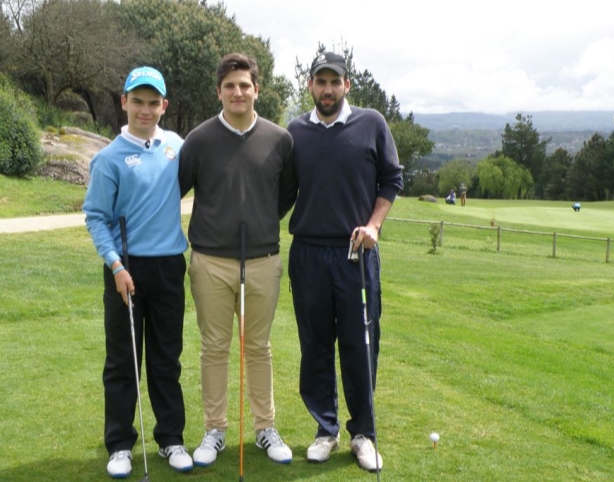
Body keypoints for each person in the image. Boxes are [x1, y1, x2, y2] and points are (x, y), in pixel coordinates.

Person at [287, 52, 404, 473]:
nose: (327, 89)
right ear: (311, 86)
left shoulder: (371, 123)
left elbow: (392, 178)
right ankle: (325, 429)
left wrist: (374, 225)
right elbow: (282, 190)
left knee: (359, 345)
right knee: (315, 346)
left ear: (347, 86)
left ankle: (363, 434)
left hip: (357, 253)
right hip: (309, 255)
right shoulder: (296, 131)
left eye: (335, 82)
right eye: (320, 81)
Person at [178, 52, 297, 467]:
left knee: (259, 348)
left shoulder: (279, 139)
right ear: (219, 91)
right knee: (214, 348)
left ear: (256, 89)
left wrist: (264, 220)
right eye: (230, 86)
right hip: (211, 261)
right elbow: (177, 190)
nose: (238, 92)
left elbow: (285, 194)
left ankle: (265, 428)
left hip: (262, 260)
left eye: (245, 85)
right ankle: (215, 430)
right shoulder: (199, 139)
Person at [83, 66, 193, 478]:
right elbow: (95, 217)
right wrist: (115, 265)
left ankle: (171, 439)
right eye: (138, 101)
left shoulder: (178, 147)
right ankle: (119, 444)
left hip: (168, 266)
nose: (145, 110)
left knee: (166, 359)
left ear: (163, 106)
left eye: (153, 102)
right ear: (124, 102)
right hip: (125, 268)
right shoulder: (108, 157)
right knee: (123, 360)